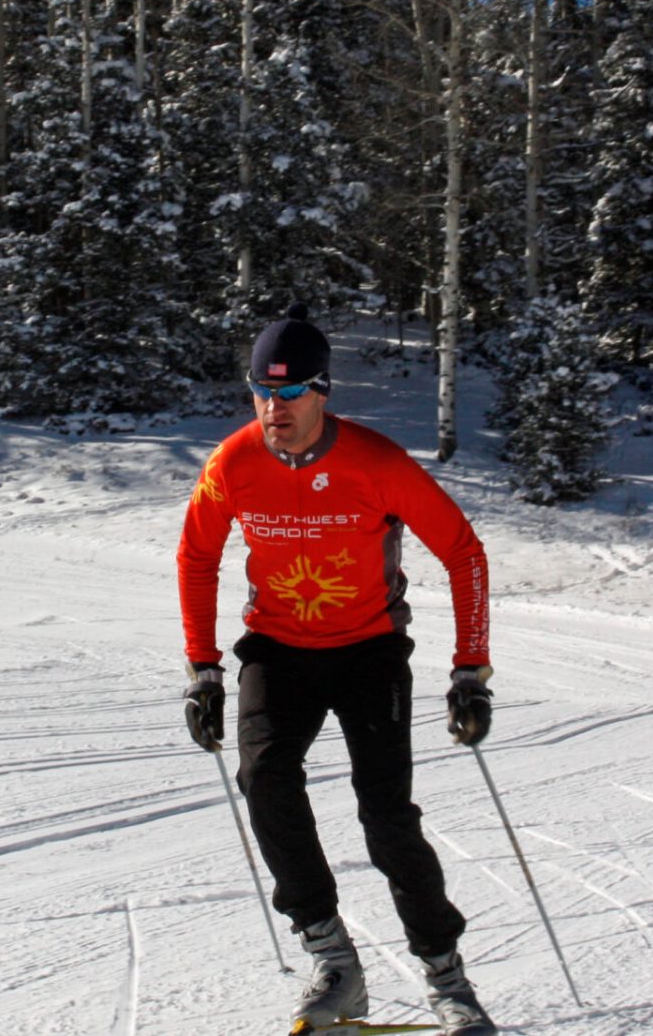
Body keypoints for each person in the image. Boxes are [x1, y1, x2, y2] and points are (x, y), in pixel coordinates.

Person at [176, 306, 497, 1036]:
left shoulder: (376, 463)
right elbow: (196, 556)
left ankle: (447, 979)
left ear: (323, 391)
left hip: (368, 651)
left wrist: (470, 668)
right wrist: (203, 669)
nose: (273, 408)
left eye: (289, 394)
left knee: (386, 818)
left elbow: (463, 552)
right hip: (277, 650)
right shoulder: (233, 462)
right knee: (265, 778)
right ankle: (333, 959)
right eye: (260, 391)